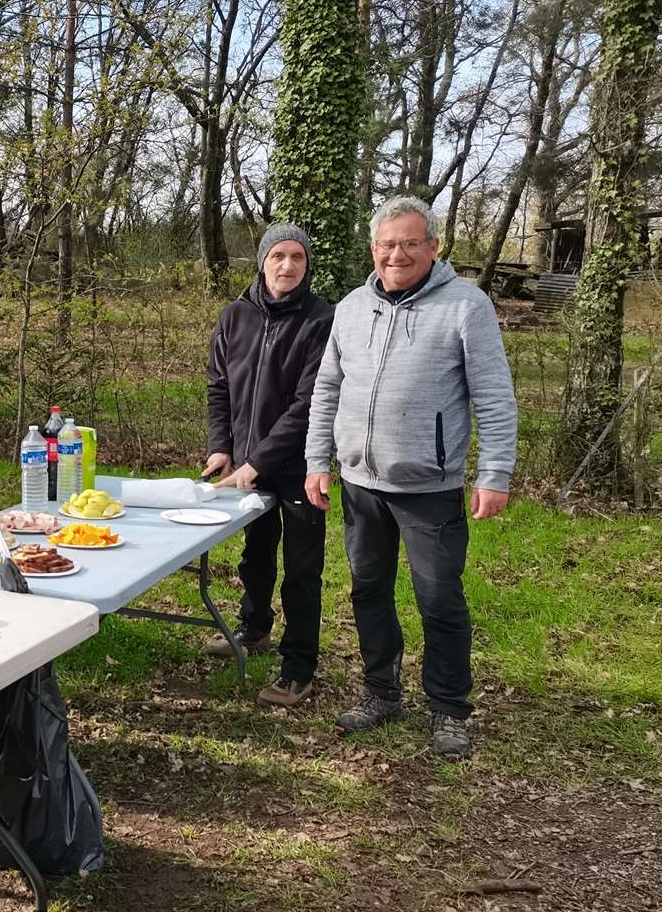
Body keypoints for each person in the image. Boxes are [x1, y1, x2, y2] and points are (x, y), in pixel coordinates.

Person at [304, 195, 518, 759]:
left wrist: (494, 473)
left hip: (430, 487)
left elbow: (494, 397)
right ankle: (381, 692)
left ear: (433, 247)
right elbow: (327, 389)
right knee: (368, 590)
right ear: (373, 249)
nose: (396, 253)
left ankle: (449, 709)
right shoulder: (351, 307)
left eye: (408, 243)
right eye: (386, 244)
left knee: (439, 598)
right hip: (360, 484)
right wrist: (316, 461)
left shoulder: (466, 307)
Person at [203, 223, 334, 706]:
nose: (287, 265)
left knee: (302, 570)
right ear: (262, 261)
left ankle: (298, 669)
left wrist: (256, 461)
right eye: (278, 255)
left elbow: (309, 405)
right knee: (256, 555)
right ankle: (253, 628)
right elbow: (219, 387)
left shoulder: (322, 320)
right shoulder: (235, 316)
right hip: (244, 468)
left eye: (297, 257)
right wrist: (222, 448)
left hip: (300, 467)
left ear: (306, 264)